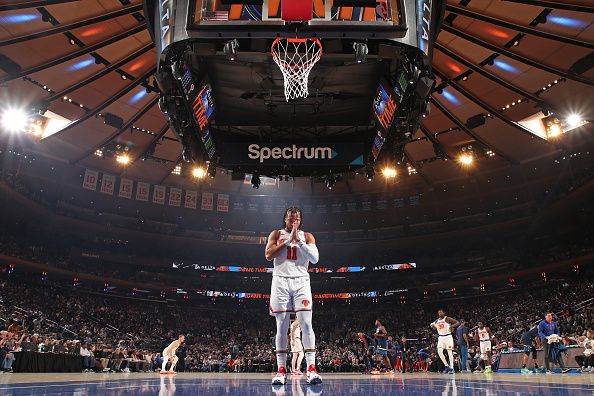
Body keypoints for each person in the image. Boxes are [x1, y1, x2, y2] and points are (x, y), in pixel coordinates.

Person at [265, 207, 321, 385]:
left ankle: (311, 368)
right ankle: (281, 370)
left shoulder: (308, 236)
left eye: (296, 219)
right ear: (285, 219)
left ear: (300, 220)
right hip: (280, 281)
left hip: (301, 281)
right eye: (290, 219)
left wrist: (299, 242)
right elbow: (268, 255)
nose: (293, 221)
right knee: (281, 326)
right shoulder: (276, 234)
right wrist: (288, 241)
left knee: (306, 323)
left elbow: (315, 258)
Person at [430, 309, 459, 374]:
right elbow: (432, 325)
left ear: (444, 313)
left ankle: (452, 368)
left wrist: (452, 326)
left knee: (449, 352)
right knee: (439, 352)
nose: (440, 313)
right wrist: (432, 326)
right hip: (441, 337)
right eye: (439, 312)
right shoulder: (437, 320)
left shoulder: (447, 318)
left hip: (448, 337)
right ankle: (446, 365)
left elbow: (457, 322)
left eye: (441, 312)